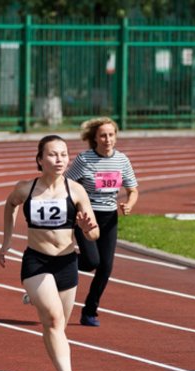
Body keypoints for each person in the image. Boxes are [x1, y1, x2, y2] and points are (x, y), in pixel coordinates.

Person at [0, 135, 99, 371]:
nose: (59, 159)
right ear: (40, 160)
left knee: (58, 327)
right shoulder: (26, 189)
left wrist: (89, 230)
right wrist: (7, 240)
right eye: (53, 154)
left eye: (64, 154)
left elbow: (94, 233)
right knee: (53, 320)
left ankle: (37, 295)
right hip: (37, 261)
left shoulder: (75, 190)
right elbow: (10, 204)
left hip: (66, 261)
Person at [64, 117, 139, 327]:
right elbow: (66, 185)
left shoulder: (122, 160)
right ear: (94, 139)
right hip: (87, 216)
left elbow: (132, 190)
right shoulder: (84, 160)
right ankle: (60, 264)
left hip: (109, 218)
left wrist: (129, 204)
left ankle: (89, 311)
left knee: (105, 268)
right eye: (103, 136)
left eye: (111, 135)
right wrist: (76, 210)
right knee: (91, 262)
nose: (108, 139)